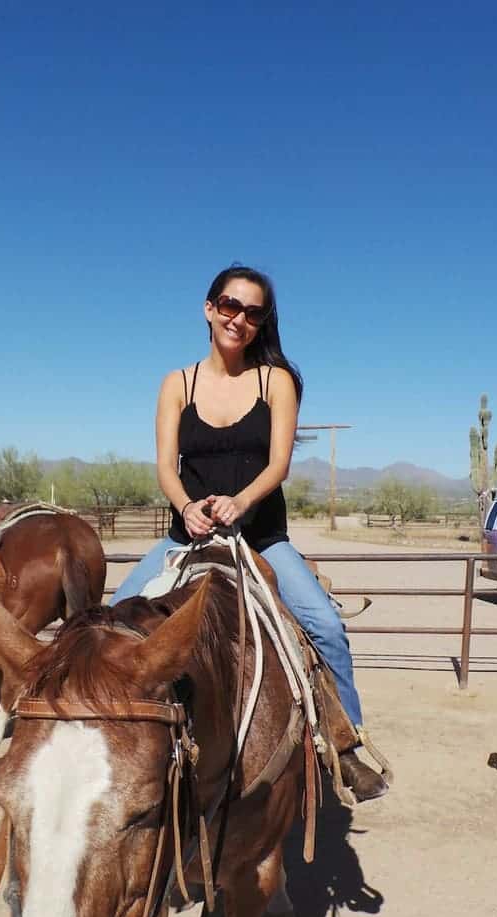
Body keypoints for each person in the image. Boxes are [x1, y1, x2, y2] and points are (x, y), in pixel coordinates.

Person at [111, 264, 387, 800]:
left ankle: (346, 744)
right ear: (209, 308)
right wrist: (188, 506)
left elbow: (278, 464)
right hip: (186, 537)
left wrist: (241, 501)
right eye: (231, 306)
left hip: (260, 538)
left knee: (326, 627)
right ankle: (105, 737)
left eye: (253, 313)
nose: (240, 319)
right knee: (110, 621)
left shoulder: (275, 381)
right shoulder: (177, 383)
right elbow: (167, 465)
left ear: (262, 323)